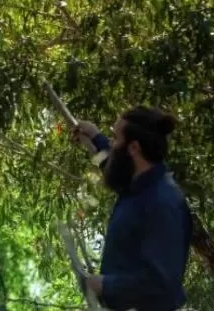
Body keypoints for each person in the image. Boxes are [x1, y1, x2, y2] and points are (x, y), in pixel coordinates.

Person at [70, 106, 192, 311]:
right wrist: (93, 136)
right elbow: (111, 163)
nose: (111, 143)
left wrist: (105, 285)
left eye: (115, 138)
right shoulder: (137, 185)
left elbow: (162, 285)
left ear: (134, 148)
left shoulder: (163, 203)